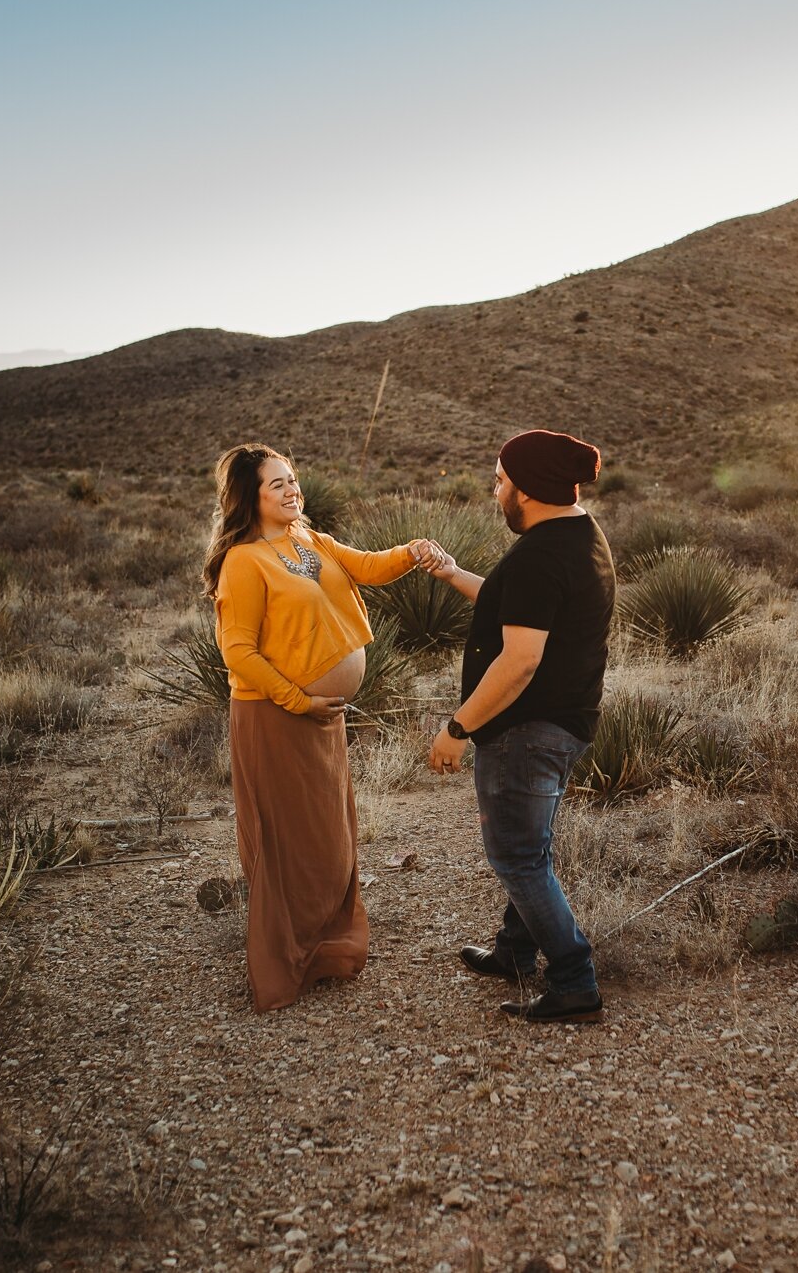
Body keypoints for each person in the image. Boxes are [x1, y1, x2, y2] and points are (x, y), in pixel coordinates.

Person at [204, 443, 439, 1012]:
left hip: (318, 717)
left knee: (326, 834)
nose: (291, 491)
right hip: (274, 715)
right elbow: (236, 650)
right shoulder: (245, 560)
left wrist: (412, 551)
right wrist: (296, 699)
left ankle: (328, 947)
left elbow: (368, 567)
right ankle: (287, 963)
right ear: (248, 498)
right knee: (287, 840)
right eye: (276, 485)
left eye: (293, 480)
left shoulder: (309, 540)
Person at [423, 429, 616, 1024]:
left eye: (500, 480)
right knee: (531, 844)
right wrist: (455, 574)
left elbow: (520, 659)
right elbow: (522, 607)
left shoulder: (539, 554)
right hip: (562, 723)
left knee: (517, 857)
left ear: (526, 490)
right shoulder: (580, 535)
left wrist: (457, 729)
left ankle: (573, 980)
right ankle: (514, 950)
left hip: (526, 732)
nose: (496, 491)